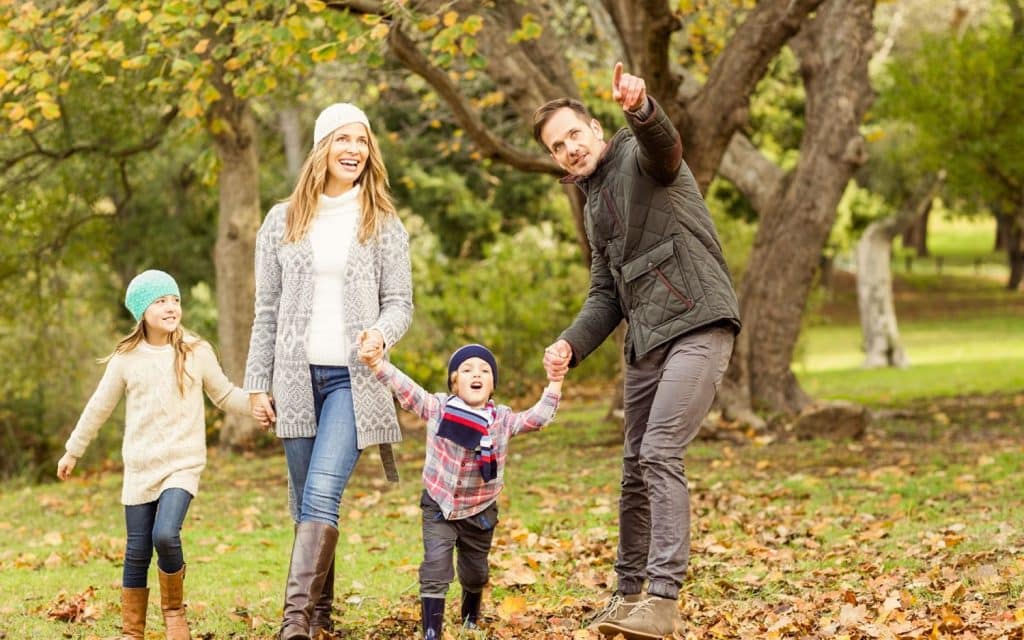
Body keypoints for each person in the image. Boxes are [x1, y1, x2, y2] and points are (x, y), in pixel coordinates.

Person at [533, 63, 741, 640]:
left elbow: (666, 148)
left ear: (596, 128)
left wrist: (642, 108)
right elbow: (605, 293)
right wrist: (570, 345)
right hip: (647, 342)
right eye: (558, 147)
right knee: (632, 471)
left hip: (698, 323)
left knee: (658, 451)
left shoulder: (635, 155)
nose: (570, 149)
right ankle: (627, 598)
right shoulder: (593, 206)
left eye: (574, 134)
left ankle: (663, 600)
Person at [244, 102, 413, 640]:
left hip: (351, 381)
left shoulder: (383, 222)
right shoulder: (281, 220)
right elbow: (265, 310)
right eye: (342, 139)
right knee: (305, 503)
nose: (353, 150)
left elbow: (400, 302)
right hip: (294, 379)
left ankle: (292, 625)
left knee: (321, 492)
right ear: (322, 147)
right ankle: (320, 617)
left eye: (361, 141)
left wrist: (381, 334)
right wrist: (256, 382)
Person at [56, 269, 250, 640]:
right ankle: (133, 632)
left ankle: (175, 614)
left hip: (182, 463)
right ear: (142, 310)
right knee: (136, 550)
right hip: (141, 466)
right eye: (161, 301)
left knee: (165, 534)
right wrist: (72, 450)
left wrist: (259, 405)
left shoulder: (196, 351)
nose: (171, 306)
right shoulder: (126, 360)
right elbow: (98, 407)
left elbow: (224, 395)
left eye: (175, 299)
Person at [357, 339, 562, 639]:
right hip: (438, 505)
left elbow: (537, 418)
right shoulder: (438, 408)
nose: (476, 374)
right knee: (435, 567)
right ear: (454, 382)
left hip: (479, 512)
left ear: (492, 385)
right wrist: (377, 364)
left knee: (475, 573)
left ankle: (470, 616)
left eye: (484, 371)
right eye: (466, 370)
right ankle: (432, 631)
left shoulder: (502, 420)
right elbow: (407, 390)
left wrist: (555, 382)